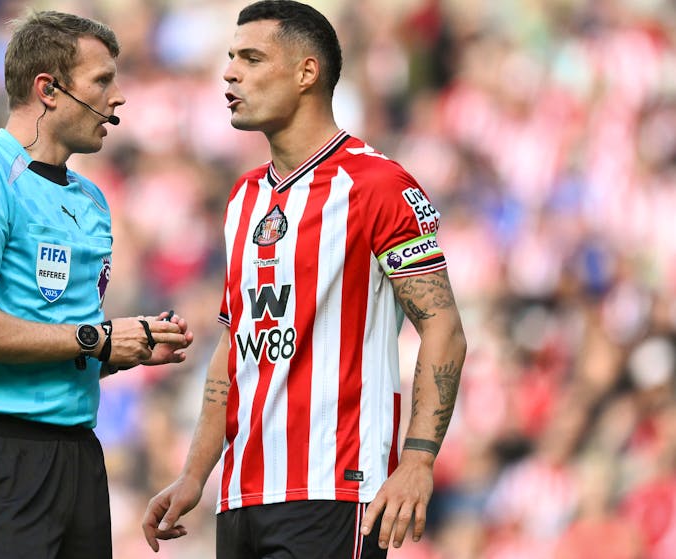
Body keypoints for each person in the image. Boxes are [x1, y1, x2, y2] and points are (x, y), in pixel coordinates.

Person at [142, 1, 466, 557]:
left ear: (306, 72)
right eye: (230, 58)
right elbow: (235, 343)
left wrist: (417, 460)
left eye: (251, 58)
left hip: (335, 488)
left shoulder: (377, 185)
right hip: (242, 496)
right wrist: (195, 474)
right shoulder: (243, 198)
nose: (229, 73)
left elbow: (444, 327)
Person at [0, 10, 193, 559]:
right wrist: (97, 339)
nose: (118, 97)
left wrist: (126, 347)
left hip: (78, 458)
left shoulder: (91, 201)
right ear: (47, 89)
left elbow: (63, 341)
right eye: (102, 80)